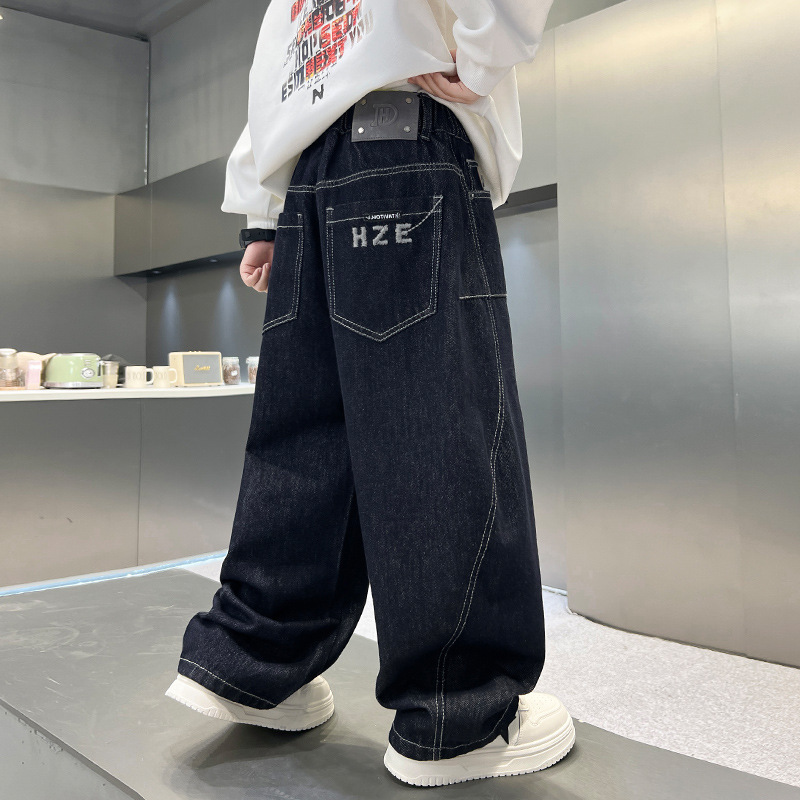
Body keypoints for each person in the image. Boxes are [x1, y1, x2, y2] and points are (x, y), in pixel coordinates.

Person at [165, 0, 576, 787]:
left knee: (308, 435)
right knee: (438, 425)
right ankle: (459, 712)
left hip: (309, 177)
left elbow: (276, 61)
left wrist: (262, 211)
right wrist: (484, 55)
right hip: (407, 139)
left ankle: (252, 658)